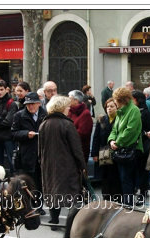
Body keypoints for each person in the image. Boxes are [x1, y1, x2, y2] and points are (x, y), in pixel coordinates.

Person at [39, 95, 86, 229]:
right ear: (61, 108)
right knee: (72, 194)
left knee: (53, 191)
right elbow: (76, 148)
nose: (69, 109)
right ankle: (71, 223)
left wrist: (42, 162)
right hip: (67, 165)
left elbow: (40, 148)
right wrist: (82, 166)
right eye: (67, 107)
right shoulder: (67, 124)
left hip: (48, 164)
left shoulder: (44, 124)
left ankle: (54, 220)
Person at [107, 87, 143, 207]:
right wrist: (111, 140)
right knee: (123, 179)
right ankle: (126, 204)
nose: (114, 102)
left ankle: (128, 205)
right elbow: (114, 129)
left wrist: (117, 142)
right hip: (121, 149)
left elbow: (130, 130)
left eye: (116, 100)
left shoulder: (134, 110)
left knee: (127, 180)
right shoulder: (121, 111)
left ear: (121, 100)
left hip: (129, 150)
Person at [11, 92, 47, 201]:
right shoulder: (19, 115)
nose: (30, 106)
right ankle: (30, 203)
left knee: (40, 180)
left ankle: (38, 203)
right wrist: (26, 134)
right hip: (26, 153)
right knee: (28, 181)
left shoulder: (45, 115)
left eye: (33, 104)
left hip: (41, 152)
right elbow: (13, 133)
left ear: (38, 103)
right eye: (28, 104)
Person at [91, 98, 122, 201]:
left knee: (115, 177)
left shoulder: (120, 119)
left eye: (112, 106)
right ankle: (106, 198)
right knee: (105, 177)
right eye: (107, 106)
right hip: (104, 152)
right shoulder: (102, 120)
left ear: (117, 107)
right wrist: (94, 153)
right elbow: (96, 138)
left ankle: (117, 199)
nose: (109, 108)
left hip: (116, 152)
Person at [0, 79, 18, 172]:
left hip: (8, 137)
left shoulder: (12, 104)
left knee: (11, 162)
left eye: (1, 89)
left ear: (6, 90)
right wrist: (0, 119)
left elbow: (9, 122)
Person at [132, 90, 150, 201]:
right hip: (137, 146)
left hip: (142, 146)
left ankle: (143, 193)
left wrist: (144, 133)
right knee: (138, 171)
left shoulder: (144, 112)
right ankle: (141, 191)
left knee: (142, 172)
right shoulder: (135, 111)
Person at [68, 89, 93, 163]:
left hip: (80, 150)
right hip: (69, 149)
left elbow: (83, 133)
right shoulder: (69, 111)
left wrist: (67, 135)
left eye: (69, 98)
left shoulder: (85, 114)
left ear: (76, 100)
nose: (68, 100)